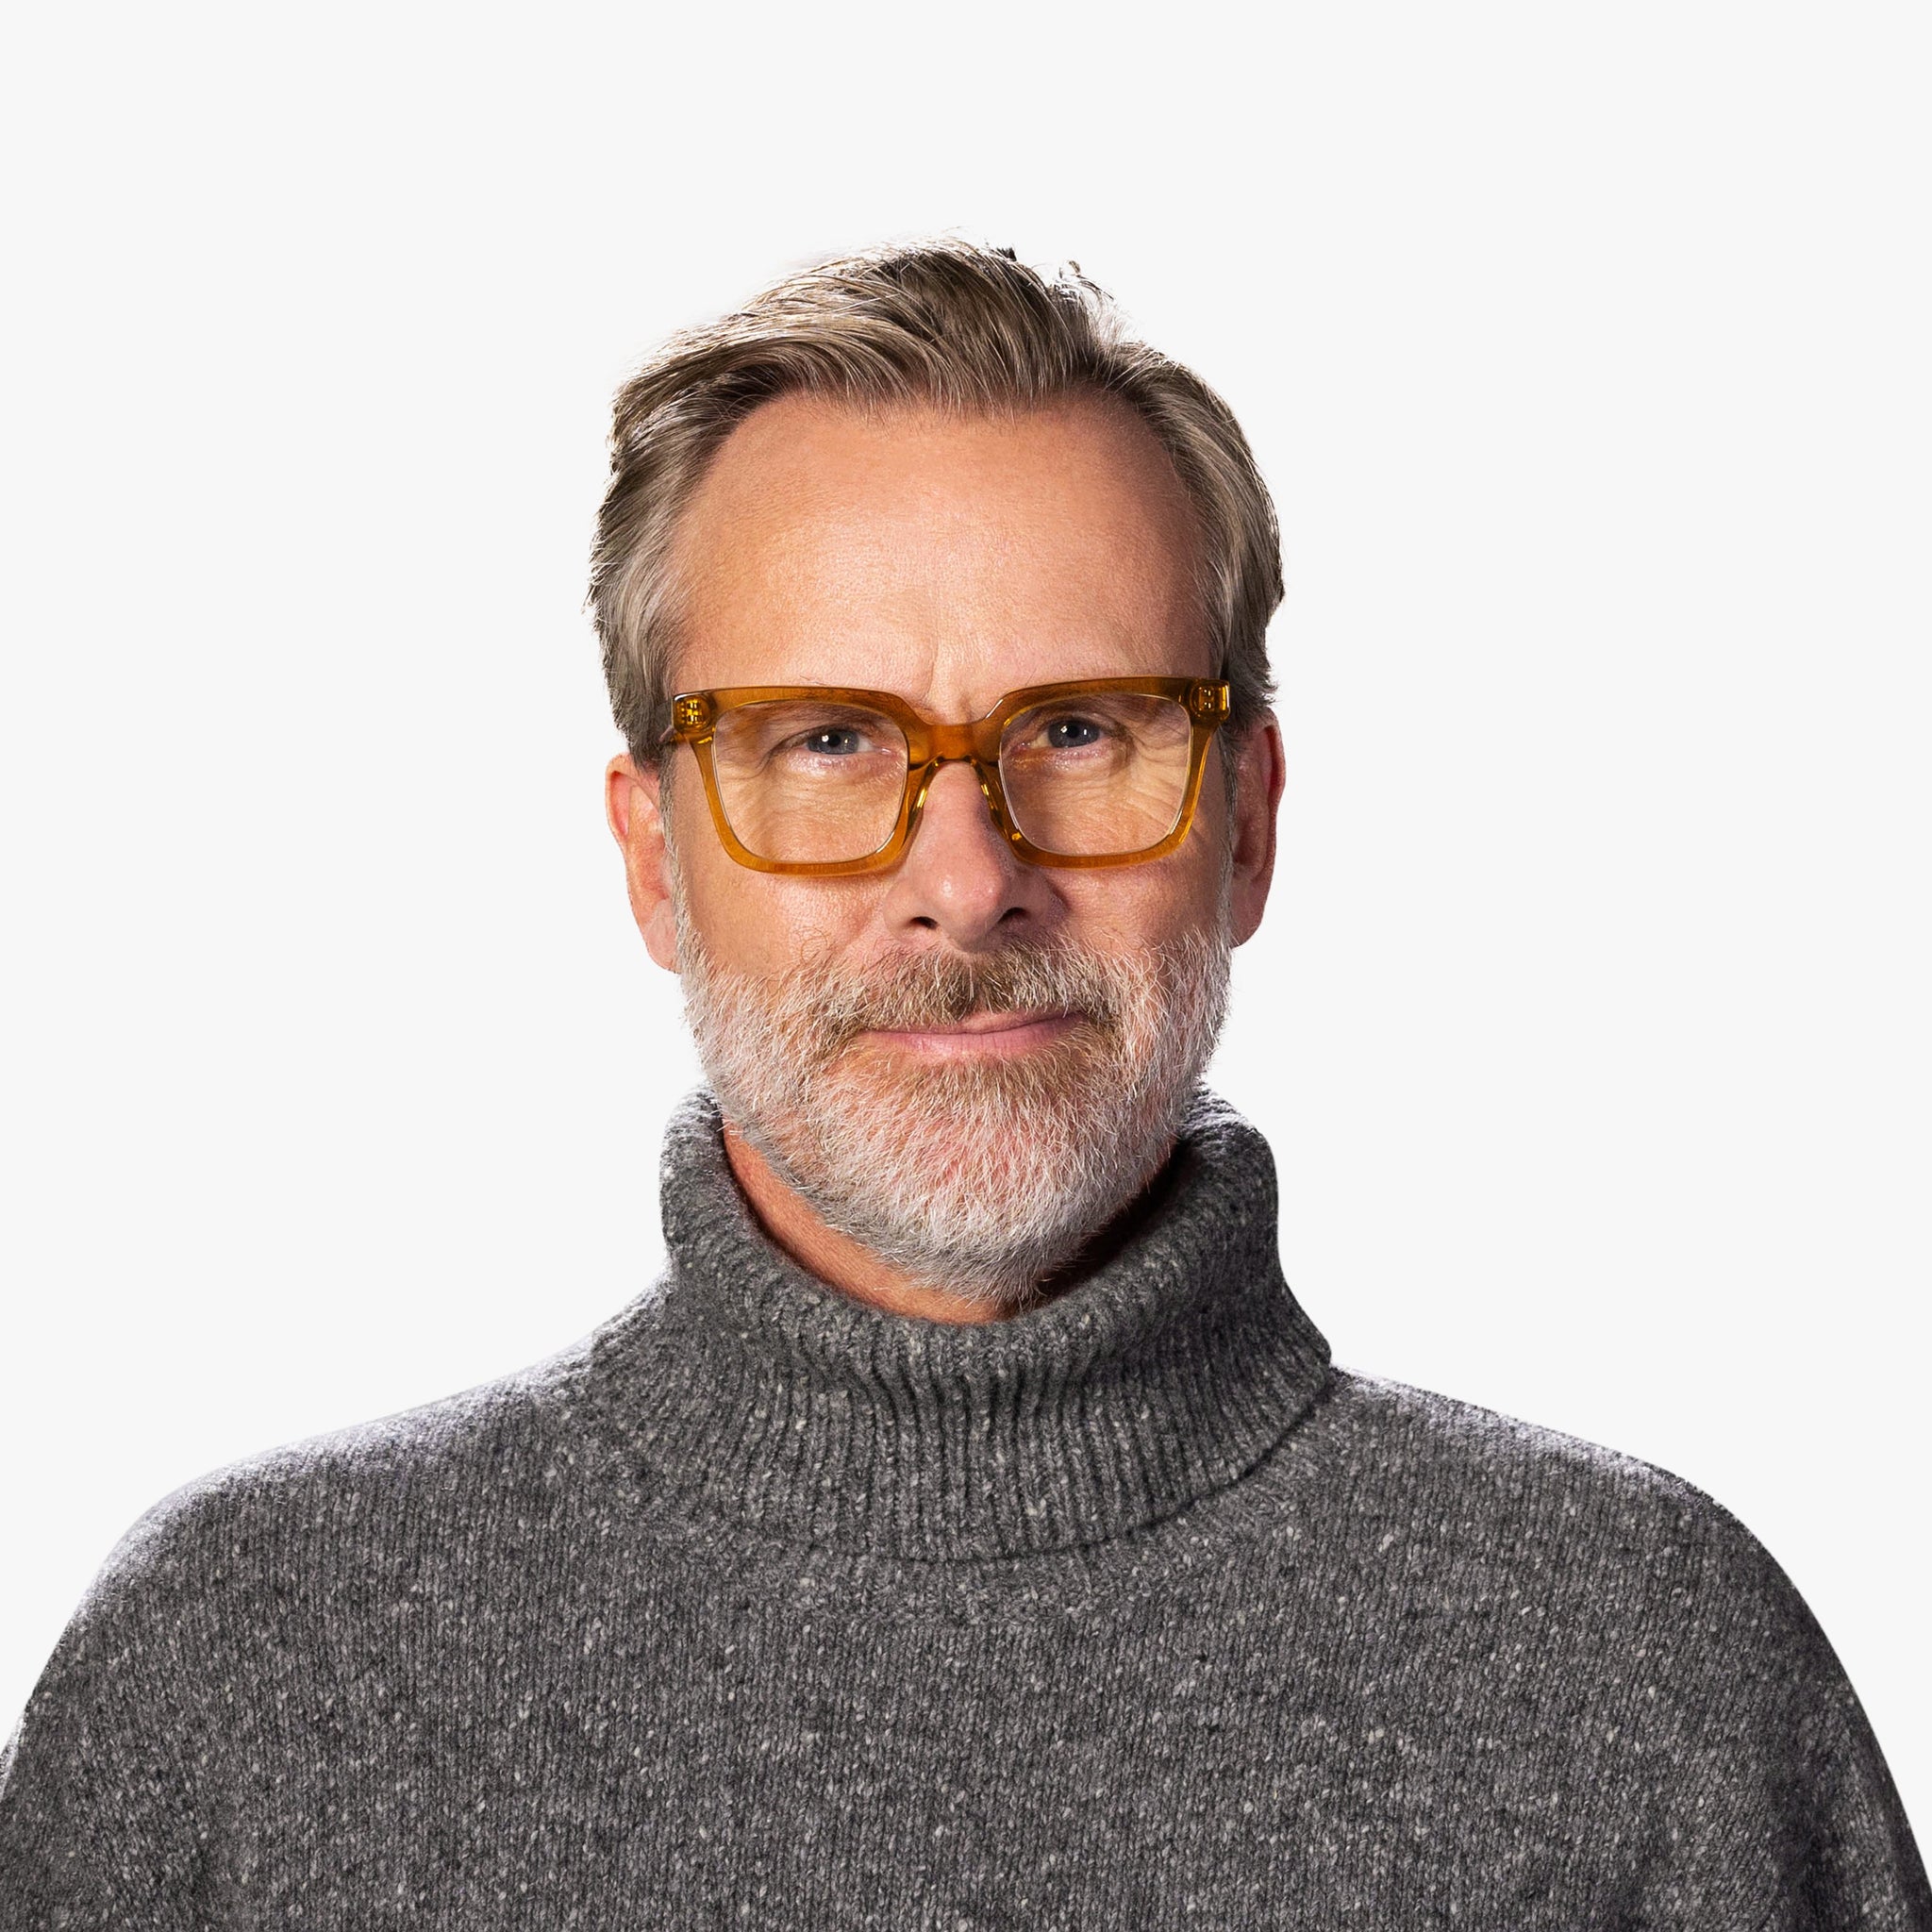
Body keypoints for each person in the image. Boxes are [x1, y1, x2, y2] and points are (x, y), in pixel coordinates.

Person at [0, 239, 1924, 1928]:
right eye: (825, 740)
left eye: (1079, 729)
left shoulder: (1643, 1677)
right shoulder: (238, 1676)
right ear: (654, 860)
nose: (967, 877)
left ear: (1248, 825)